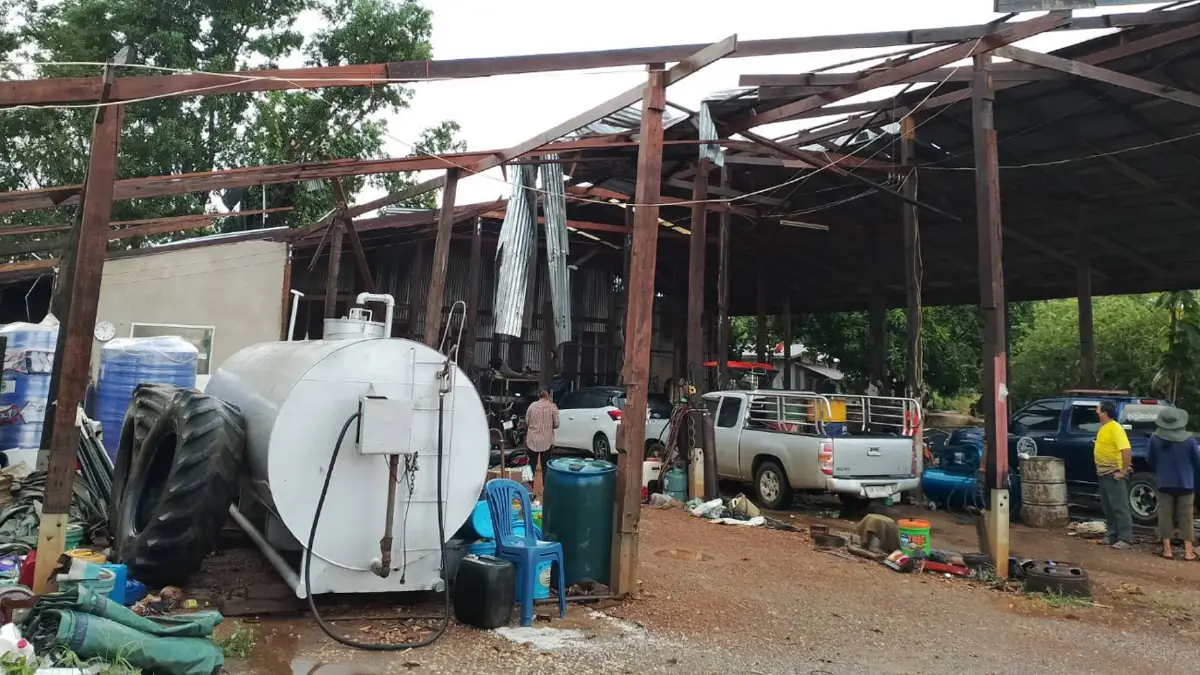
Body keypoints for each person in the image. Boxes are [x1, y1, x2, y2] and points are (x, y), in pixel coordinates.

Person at [1147, 407, 1200, 560]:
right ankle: (1189, 552)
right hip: (1186, 483)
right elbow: (1197, 461)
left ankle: (1167, 550)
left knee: (1165, 515)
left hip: (1164, 482)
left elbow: (1150, 459)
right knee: (1186, 517)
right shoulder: (1189, 439)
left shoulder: (1155, 438)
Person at [1094, 401, 1134, 550]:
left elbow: (1126, 450)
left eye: (1098, 410)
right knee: (1108, 507)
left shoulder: (1115, 428)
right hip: (1103, 473)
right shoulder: (1104, 428)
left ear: (1105, 413)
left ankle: (1125, 538)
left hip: (1113, 473)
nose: (1096, 412)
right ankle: (1112, 534)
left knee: (1119, 506)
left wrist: (1123, 471)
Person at [524, 388, 558, 487]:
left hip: (532, 440)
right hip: (546, 440)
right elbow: (557, 424)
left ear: (538, 395)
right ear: (549, 394)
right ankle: (545, 487)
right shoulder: (553, 407)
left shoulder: (532, 406)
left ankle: (528, 487)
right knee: (545, 466)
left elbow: (527, 421)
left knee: (531, 464)